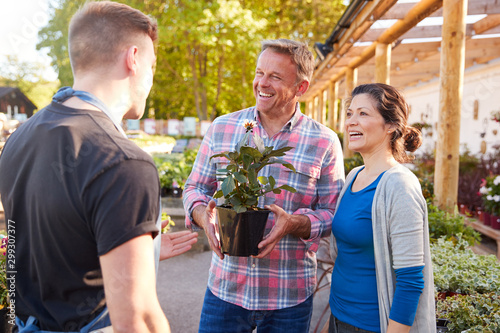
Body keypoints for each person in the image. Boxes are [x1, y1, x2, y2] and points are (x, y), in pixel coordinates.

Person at [0, 2, 197, 332]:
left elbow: (45, 247)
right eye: (152, 65)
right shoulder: (124, 161)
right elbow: (138, 319)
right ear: (133, 58)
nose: (151, 78)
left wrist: (132, 259)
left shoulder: (20, 138)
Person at [183, 39, 345, 332]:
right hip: (226, 289)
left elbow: (333, 214)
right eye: (259, 73)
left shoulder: (324, 141)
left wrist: (293, 223)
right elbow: (194, 188)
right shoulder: (224, 127)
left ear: (301, 88)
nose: (262, 83)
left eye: (275, 77)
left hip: (289, 295)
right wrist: (202, 217)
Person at [328, 83, 435, 333]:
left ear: (391, 126)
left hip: (372, 325)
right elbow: (345, 258)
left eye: (363, 114)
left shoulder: (399, 185)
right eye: (349, 113)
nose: (351, 122)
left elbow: (410, 280)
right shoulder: (354, 176)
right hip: (338, 317)